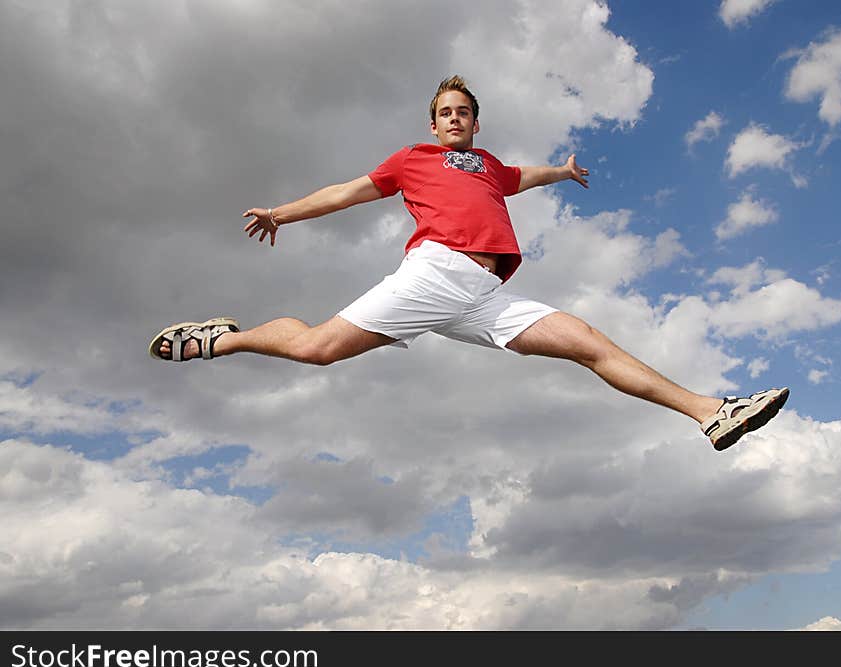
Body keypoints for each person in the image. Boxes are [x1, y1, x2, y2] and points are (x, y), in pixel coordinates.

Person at [149, 76, 788, 451]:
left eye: (463, 112)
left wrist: (561, 172)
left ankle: (711, 412)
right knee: (316, 350)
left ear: (476, 122)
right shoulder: (411, 160)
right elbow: (346, 191)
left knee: (587, 343)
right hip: (436, 273)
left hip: (482, 292)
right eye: (444, 114)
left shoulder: (489, 167)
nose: (454, 119)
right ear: (433, 124)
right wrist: (282, 213)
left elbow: (523, 176)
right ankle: (224, 339)